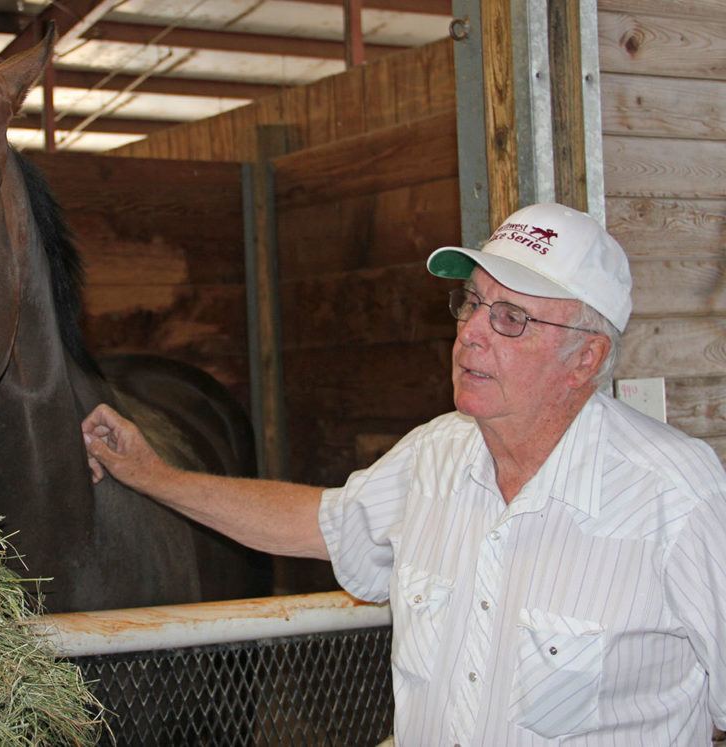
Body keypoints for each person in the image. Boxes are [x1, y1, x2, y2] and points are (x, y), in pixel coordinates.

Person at [81, 202, 726, 745]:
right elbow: (314, 523)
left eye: (511, 319)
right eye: (472, 303)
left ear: (585, 358)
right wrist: (152, 474)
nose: (472, 333)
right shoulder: (436, 456)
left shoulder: (676, 495)